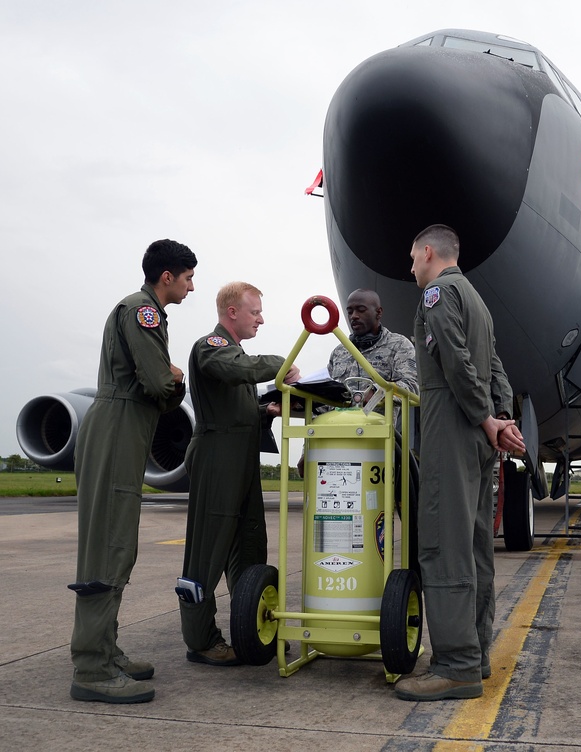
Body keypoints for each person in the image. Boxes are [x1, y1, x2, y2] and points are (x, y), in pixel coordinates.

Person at [395, 224, 525, 702]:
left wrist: (485, 418)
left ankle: (454, 664)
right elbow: (494, 367)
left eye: (412, 258)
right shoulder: (477, 300)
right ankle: (476, 653)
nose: (411, 268)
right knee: (474, 546)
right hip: (477, 433)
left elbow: (453, 360)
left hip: (452, 423)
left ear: (428, 252)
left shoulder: (437, 294)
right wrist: (500, 416)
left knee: (443, 542)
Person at [70, 239, 197, 704]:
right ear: (167, 276)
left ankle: (106, 649)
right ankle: (92, 667)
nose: (191, 286)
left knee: (118, 545)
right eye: (187, 278)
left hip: (125, 430)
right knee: (108, 545)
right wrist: (176, 380)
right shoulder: (142, 311)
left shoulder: (143, 311)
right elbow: (159, 384)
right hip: (119, 430)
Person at [178, 282, 300, 666]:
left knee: (249, 548)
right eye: (255, 312)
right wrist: (284, 365)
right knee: (206, 553)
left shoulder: (238, 357)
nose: (261, 319)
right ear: (232, 312)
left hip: (242, 464)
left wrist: (265, 412)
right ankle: (200, 640)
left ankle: (252, 630)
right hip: (217, 460)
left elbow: (238, 400)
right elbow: (234, 370)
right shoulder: (210, 348)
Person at [297, 288, 417, 477]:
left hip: (376, 447)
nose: (354, 316)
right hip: (335, 446)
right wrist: (307, 451)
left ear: (378, 312)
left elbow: (411, 387)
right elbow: (322, 406)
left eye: (360, 310)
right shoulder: (339, 352)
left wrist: (377, 392)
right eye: (350, 311)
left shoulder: (399, 346)